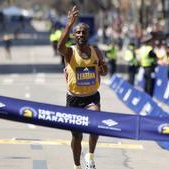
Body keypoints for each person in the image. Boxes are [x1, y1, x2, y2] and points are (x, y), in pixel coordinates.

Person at [57, 6, 107, 169]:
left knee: (96, 124)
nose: (80, 35)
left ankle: (90, 156)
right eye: (77, 33)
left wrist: (103, 69)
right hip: (74, 98)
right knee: (77, 136)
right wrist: (69, 24)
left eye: (83, 33)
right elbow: (59, 48)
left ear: (88, 34)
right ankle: (77, 165)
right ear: (73, 35)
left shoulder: (96, 51)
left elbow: (104, 70)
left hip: (92, 97)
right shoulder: (70, 52)